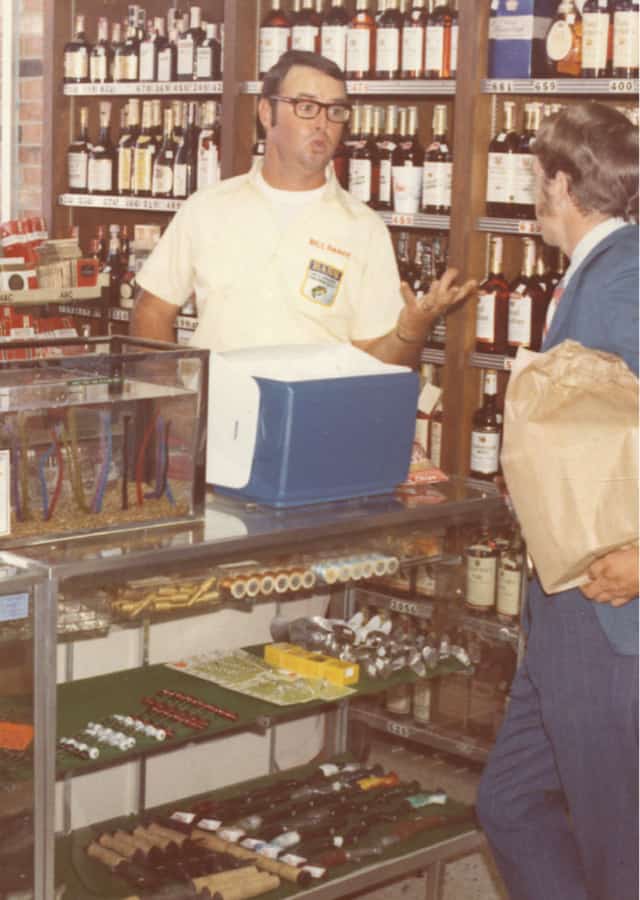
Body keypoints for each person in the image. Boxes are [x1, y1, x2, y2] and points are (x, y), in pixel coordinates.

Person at [477, 102, 639, 900]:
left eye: (536, 179)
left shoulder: (623, 279)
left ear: (563, 184)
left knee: (619, 847)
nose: (532, 195)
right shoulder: (601, 273)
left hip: (608, 616)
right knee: (509, 804)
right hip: (566, 610)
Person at [131, 50, 475, 365]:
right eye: (307, 107)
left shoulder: (364, 228)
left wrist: (409, 332)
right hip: (219, 408)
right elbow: (152, 311)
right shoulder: (207, 208)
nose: (323, 123)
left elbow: (376, 362)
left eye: (335, 111)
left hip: (314, 411)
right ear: (267, 113)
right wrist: (173, 398)